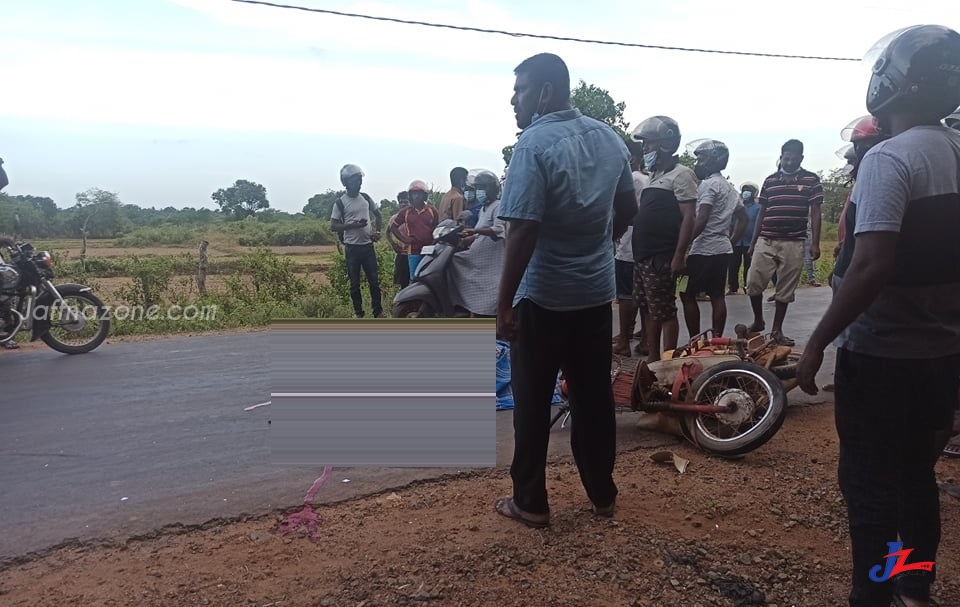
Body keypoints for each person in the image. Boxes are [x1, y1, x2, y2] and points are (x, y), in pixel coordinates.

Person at [796, 24, 960, 607]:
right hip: (942, 355)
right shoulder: (954, 151)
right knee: (917, 474)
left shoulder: (889, 159)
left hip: (881, 356)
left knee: (869, 485)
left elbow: (869, 266)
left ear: (892, 81)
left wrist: (816, 343)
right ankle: (914, 587)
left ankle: (872, 594)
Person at [494, 52, 637, 527]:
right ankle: (602, 495)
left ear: (545, 93)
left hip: (543, 297)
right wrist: (599, 243)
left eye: (519, 90)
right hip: (595, 294)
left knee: (532, 401)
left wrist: (503, 304)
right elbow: (628, 206)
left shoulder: (532, 145)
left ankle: (531, 502)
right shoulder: (610, 140)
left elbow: (522, 231)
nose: (513, 100)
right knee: (594, 397)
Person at [628, 116, 697, 361]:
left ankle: (667, 362)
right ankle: (652, 358)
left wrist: (679, 255)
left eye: (649, 144)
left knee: (665, 312)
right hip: (644, 256)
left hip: (661, 256)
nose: (645, 149)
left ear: (665, 144)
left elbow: (689, 216)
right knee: (648, 308)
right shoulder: (654, 177)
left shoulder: (682, 175)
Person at [745, 139, 823, 346]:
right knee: (753, 283)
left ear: (801, 159)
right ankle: (758, 320)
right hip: (766, 239)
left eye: (793, 159)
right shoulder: (770, 181)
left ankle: (777, 330)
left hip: (794, 241)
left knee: (785, 289)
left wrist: (815, 243)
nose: (788, 162)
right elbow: (762, 211)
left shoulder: (811, 180)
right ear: (781, 157)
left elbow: (815, 212)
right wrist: (753, 243)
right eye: (785, 158)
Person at [680, 139, 747, 338]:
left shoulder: (708, 186)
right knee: (717, 295)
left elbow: (701, 218)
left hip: (702, 250)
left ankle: (695, 340)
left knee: (685, 293)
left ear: (711, 161)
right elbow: (744, 219)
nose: (697, 163)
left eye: (700, 159)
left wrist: (683, 245)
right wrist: (731, 241)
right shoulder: (729, 187)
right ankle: (717, 338)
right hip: (722, 250)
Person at [448, 169, 505, 317]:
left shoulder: (498, 206)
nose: (479, 191)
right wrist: (467, 238)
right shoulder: (483, 210)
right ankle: (462, 307)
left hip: (489, 261)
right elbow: (479, 233)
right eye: (477, 188)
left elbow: (498, 230)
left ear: (491, 188)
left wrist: (475, 232)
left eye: (482, 188)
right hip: (478, 256)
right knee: (452, 259)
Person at [330, 164, 383, 318]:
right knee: (354, 284)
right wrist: (353, 226)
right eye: (355, 181)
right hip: (352, 248)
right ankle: (358, 313)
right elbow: (333, 226)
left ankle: (378, 311)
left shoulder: (366, 198)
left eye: (360, 180)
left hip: (367, 246)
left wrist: (377, 232)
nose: (359, 183)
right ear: (346, 183)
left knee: (374, 281)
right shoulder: (340, 202)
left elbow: (378, 215)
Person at [612, 143, 649, 357]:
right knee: (642, 295)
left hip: (628, 243)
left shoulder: (632, 179)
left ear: (633, 158)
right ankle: (644, 339)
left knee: (626, 295)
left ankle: (624, 341)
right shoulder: (648, 179)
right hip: (642, 242)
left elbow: (625, 211)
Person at [389, 180, 439, 281]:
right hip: (413, 251)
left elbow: (437, 227)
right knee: (415, 279)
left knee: (430, 277)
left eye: (419, 194)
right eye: (414, 194)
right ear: (410, 196)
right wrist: (404, 240)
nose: (416, 196)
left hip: (429, 250)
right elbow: (393, 227)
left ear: (424, 196)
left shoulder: (432, 210)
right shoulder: (406, 212)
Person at [728, 182, 760, 295]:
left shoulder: (758, 207)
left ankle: (748, 286)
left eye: (749, 190)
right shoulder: (737, 206)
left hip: (750, 242)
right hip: (735, 241)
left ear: (754, 193)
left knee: (749, 265)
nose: (746, 192)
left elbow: (758, 224)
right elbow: (731, 223)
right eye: (744, 190)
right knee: (732, 265)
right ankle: (732, 287)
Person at [386, 191, 411, 289]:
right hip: (402, 255)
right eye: (401, 202)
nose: (403, 204)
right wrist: (393, 244)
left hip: (414, 253)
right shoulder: (394, 218)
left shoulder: (414, 217)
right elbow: (388, 232)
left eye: (406, 201)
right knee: (403, 284)